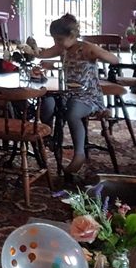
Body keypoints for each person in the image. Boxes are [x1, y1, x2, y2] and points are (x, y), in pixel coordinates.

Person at [35, 14, 119, 174]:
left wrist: (100, 54)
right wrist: (42, 59)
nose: (56, 43)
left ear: (72, 35)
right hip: (67, 93)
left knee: (72, 114)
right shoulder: (63, 48)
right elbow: (45, 54)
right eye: (54, 39)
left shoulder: (86, 48)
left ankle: (79, 153)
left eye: (59, 39)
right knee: (47, 103)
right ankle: (49, 136)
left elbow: (114, 59)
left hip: (88, 95)